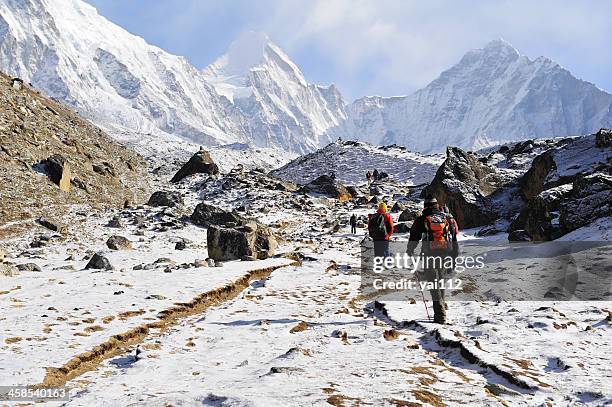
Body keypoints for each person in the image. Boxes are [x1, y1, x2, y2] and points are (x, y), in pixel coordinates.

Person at [406, 196, 459, 324]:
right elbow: (454, 235)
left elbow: (414, 236)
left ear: (425, 206)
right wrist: (454, 255)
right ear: (436, 205)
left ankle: (440, 316)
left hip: (429, 254)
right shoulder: (446, 217)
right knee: (440, 280)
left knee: (434, 283)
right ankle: (442, 307)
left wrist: (410, 250)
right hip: (445, 252)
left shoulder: (422, 219)